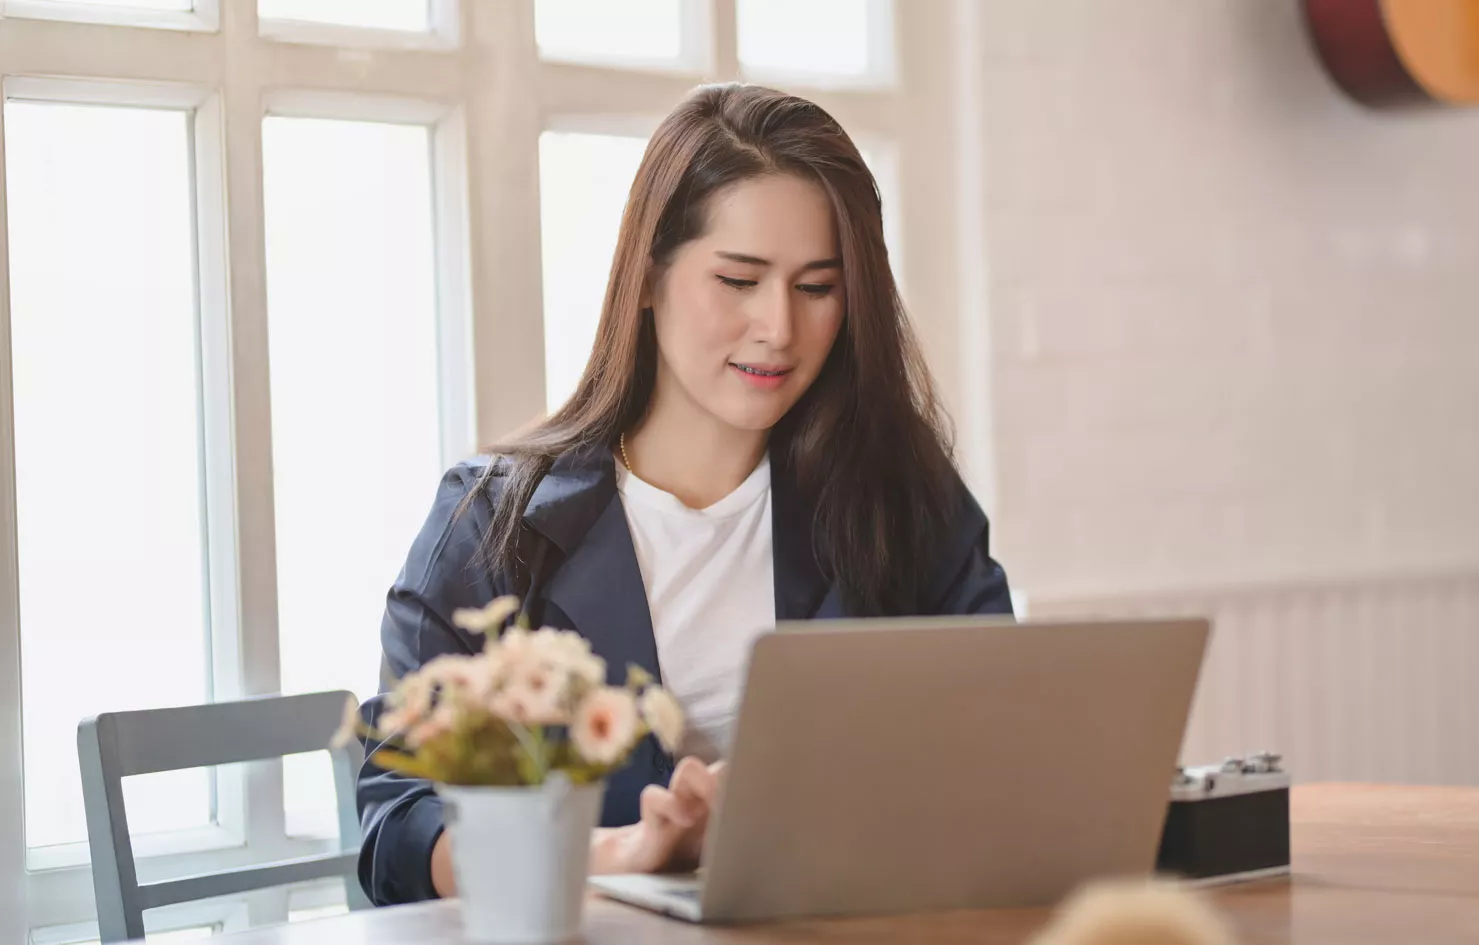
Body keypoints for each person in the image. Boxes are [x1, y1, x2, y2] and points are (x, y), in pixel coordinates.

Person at [355, 82, 1013, 906]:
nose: (779, 326)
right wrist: (622, 850)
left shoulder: (900, 500)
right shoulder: (493, 522)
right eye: (738, 280)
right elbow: (398, 828)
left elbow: (999, 748)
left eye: (818, 287)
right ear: (648, 278)